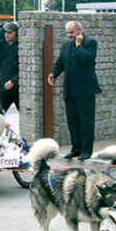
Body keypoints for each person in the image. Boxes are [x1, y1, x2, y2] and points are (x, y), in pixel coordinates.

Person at [48, 21, 101, 161]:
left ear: (79, 31)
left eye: (71, 32)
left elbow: (86, 60)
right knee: (73, 121)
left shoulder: (90, 43)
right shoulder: (66, 46)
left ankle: (86, 150)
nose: (69, 35)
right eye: (67, 33)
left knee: (86, 121)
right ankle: (76, 148)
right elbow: (60, 62)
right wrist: (53, 73)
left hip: (85, 90)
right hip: (70, 90)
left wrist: (78, 45)